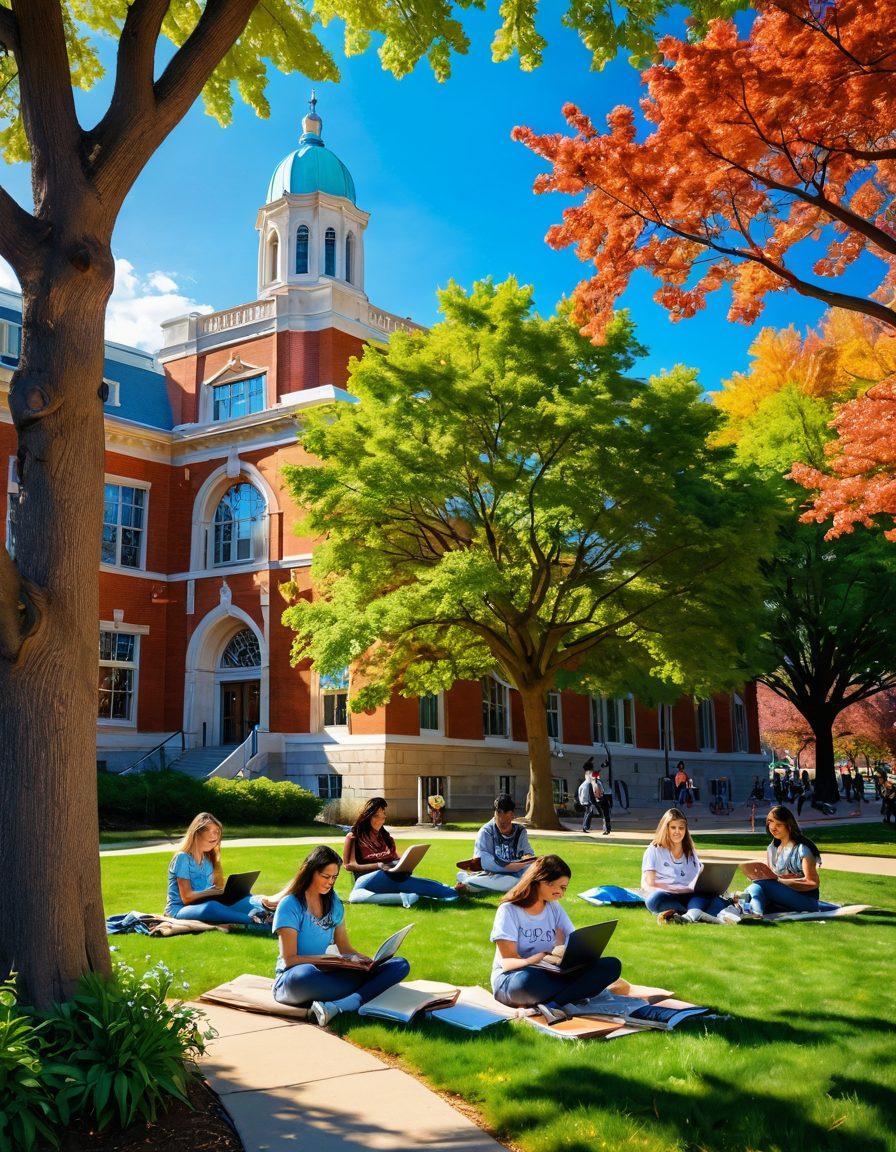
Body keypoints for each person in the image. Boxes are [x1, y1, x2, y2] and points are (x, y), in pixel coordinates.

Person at [272, 845, 410, 1026]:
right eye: (326, 876)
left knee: (399, 965)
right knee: (306, 975)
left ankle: (340, 1005)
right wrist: (327, 960)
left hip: (328, 974)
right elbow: (289, 959)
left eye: (334, 877)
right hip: (294, 980)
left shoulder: (334, 902)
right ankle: (363, 994)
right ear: (311, 872)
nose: (330, 882)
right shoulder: (290, 905)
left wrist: (364, 961)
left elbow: (345, 948)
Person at [489, 855, 622, 1025]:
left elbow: (575, 939)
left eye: (564, 888)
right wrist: (535, 959)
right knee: (528, 982)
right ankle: (576, 992)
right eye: (561, 887)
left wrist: (575, 958)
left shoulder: (554, 908)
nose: (562, 893)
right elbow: (508, 962)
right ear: (542, 880)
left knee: (611, 965)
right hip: (513, 979)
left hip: (548, 973)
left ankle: (553, 1004)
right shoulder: (508, 911)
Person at [165, 812, 278, 927]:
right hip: (180, 909)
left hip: (203, 903)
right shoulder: (182, 858)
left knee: (247, 899)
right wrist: (212, 892)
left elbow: (212, 891)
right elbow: (187, 898)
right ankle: (257, 920)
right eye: (212, 831)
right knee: (212, 907)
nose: (216, 836)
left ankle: (272, 914)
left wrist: (223, 892)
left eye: (218, 832)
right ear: (197, 833)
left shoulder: (208, 860)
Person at [343, 797, 461, 899]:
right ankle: (452, 892)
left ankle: (450, 889)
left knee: (414, 882)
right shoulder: (354, 837)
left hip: (388, 876)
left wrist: (405, 862)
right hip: (366, 881)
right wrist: (378, 865)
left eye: (383, 814)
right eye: (376, 816)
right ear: (367, 817)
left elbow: (395, 857)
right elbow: (349, 865)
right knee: (408, 883)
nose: (381, 819)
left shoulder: (385, 837)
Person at [641, 809, 735, 924]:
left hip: (690, 896)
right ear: (665, 829)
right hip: (666, 895)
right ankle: (696, 914)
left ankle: (688, 916)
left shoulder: (690, 852)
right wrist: (677, 889)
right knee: (653, 900)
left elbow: (698, 880)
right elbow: (650, 884)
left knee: (710, 898)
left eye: (681, 828)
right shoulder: (654, 850)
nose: (677, 832)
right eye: (673, 827)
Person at [738, 806, 822, 919]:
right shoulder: (772, 848)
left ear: (789, 825)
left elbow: (812, 882)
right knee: (755, 887)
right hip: (780, 898)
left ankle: (751, 912)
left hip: (806, 900)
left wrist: (779, 881)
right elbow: (771, 878)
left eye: (778, 825)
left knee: (762, 885)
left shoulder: (802, 848)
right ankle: (752, 914)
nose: (773, 828)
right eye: (770, 823)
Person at [466, 794, 535, 892]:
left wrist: (526, 858)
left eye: (506, 822)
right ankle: (518, 885)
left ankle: (472, 884)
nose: (503, 826)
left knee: (534, 873)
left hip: (516, 872)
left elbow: (528, 854)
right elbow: (482, 859)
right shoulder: (486, 831)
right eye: (500, 821)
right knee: (513, 882)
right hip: (493, 873)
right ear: (495, 815)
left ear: (512, 816)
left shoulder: (520, 831)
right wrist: (508, 866)